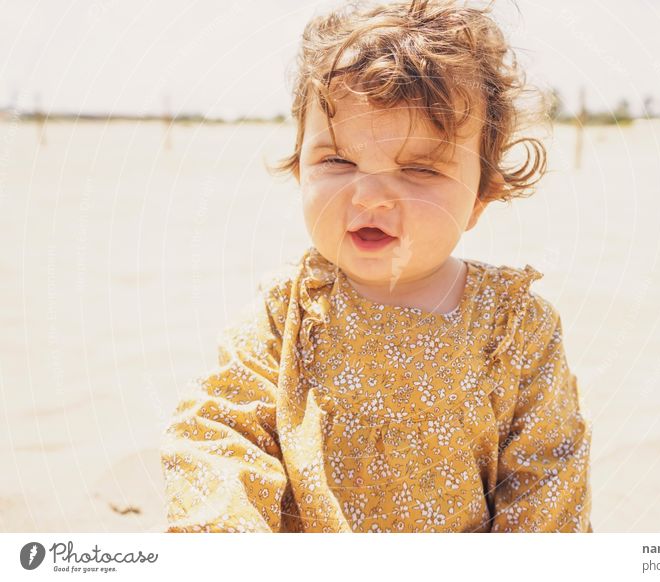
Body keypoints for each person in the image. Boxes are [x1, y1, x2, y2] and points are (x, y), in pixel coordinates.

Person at [161, 0, 592, 533]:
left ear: (481, 196)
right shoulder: (287, 315)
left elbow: (547, 479)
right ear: (300, 169)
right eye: (338, 161)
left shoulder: (515, 328)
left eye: (418, 169)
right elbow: (220, 433)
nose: (370, 196)